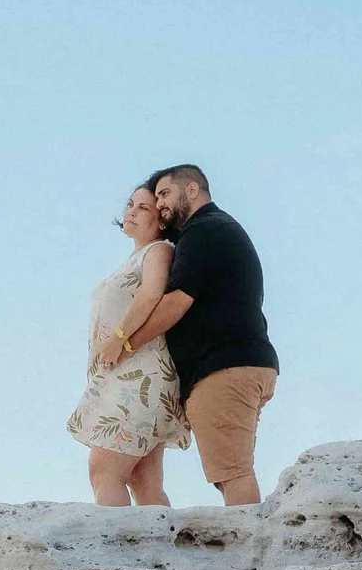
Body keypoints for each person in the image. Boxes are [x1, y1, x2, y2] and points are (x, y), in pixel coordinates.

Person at [118, 164, 278, 505]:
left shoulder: (204, 230)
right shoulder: (215, 229)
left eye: (164, 194)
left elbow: (175, 302)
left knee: (232, 472)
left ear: (192, 190)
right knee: (229, 470)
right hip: (239, 364)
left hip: (223, 368)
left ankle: (250, 553)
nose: (160, 203)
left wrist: (126, 342)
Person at [67, 182, 188, 505]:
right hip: (127, 373)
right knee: (143, 478)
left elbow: (151, 294)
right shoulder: (134, 257)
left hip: (141, 374)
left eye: (143, 208)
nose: (132, 212)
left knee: (104, 468)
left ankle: (113, 551)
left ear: (162, 220)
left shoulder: (158, 250)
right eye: (130, 205)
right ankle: (159, 552)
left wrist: (119, 338)